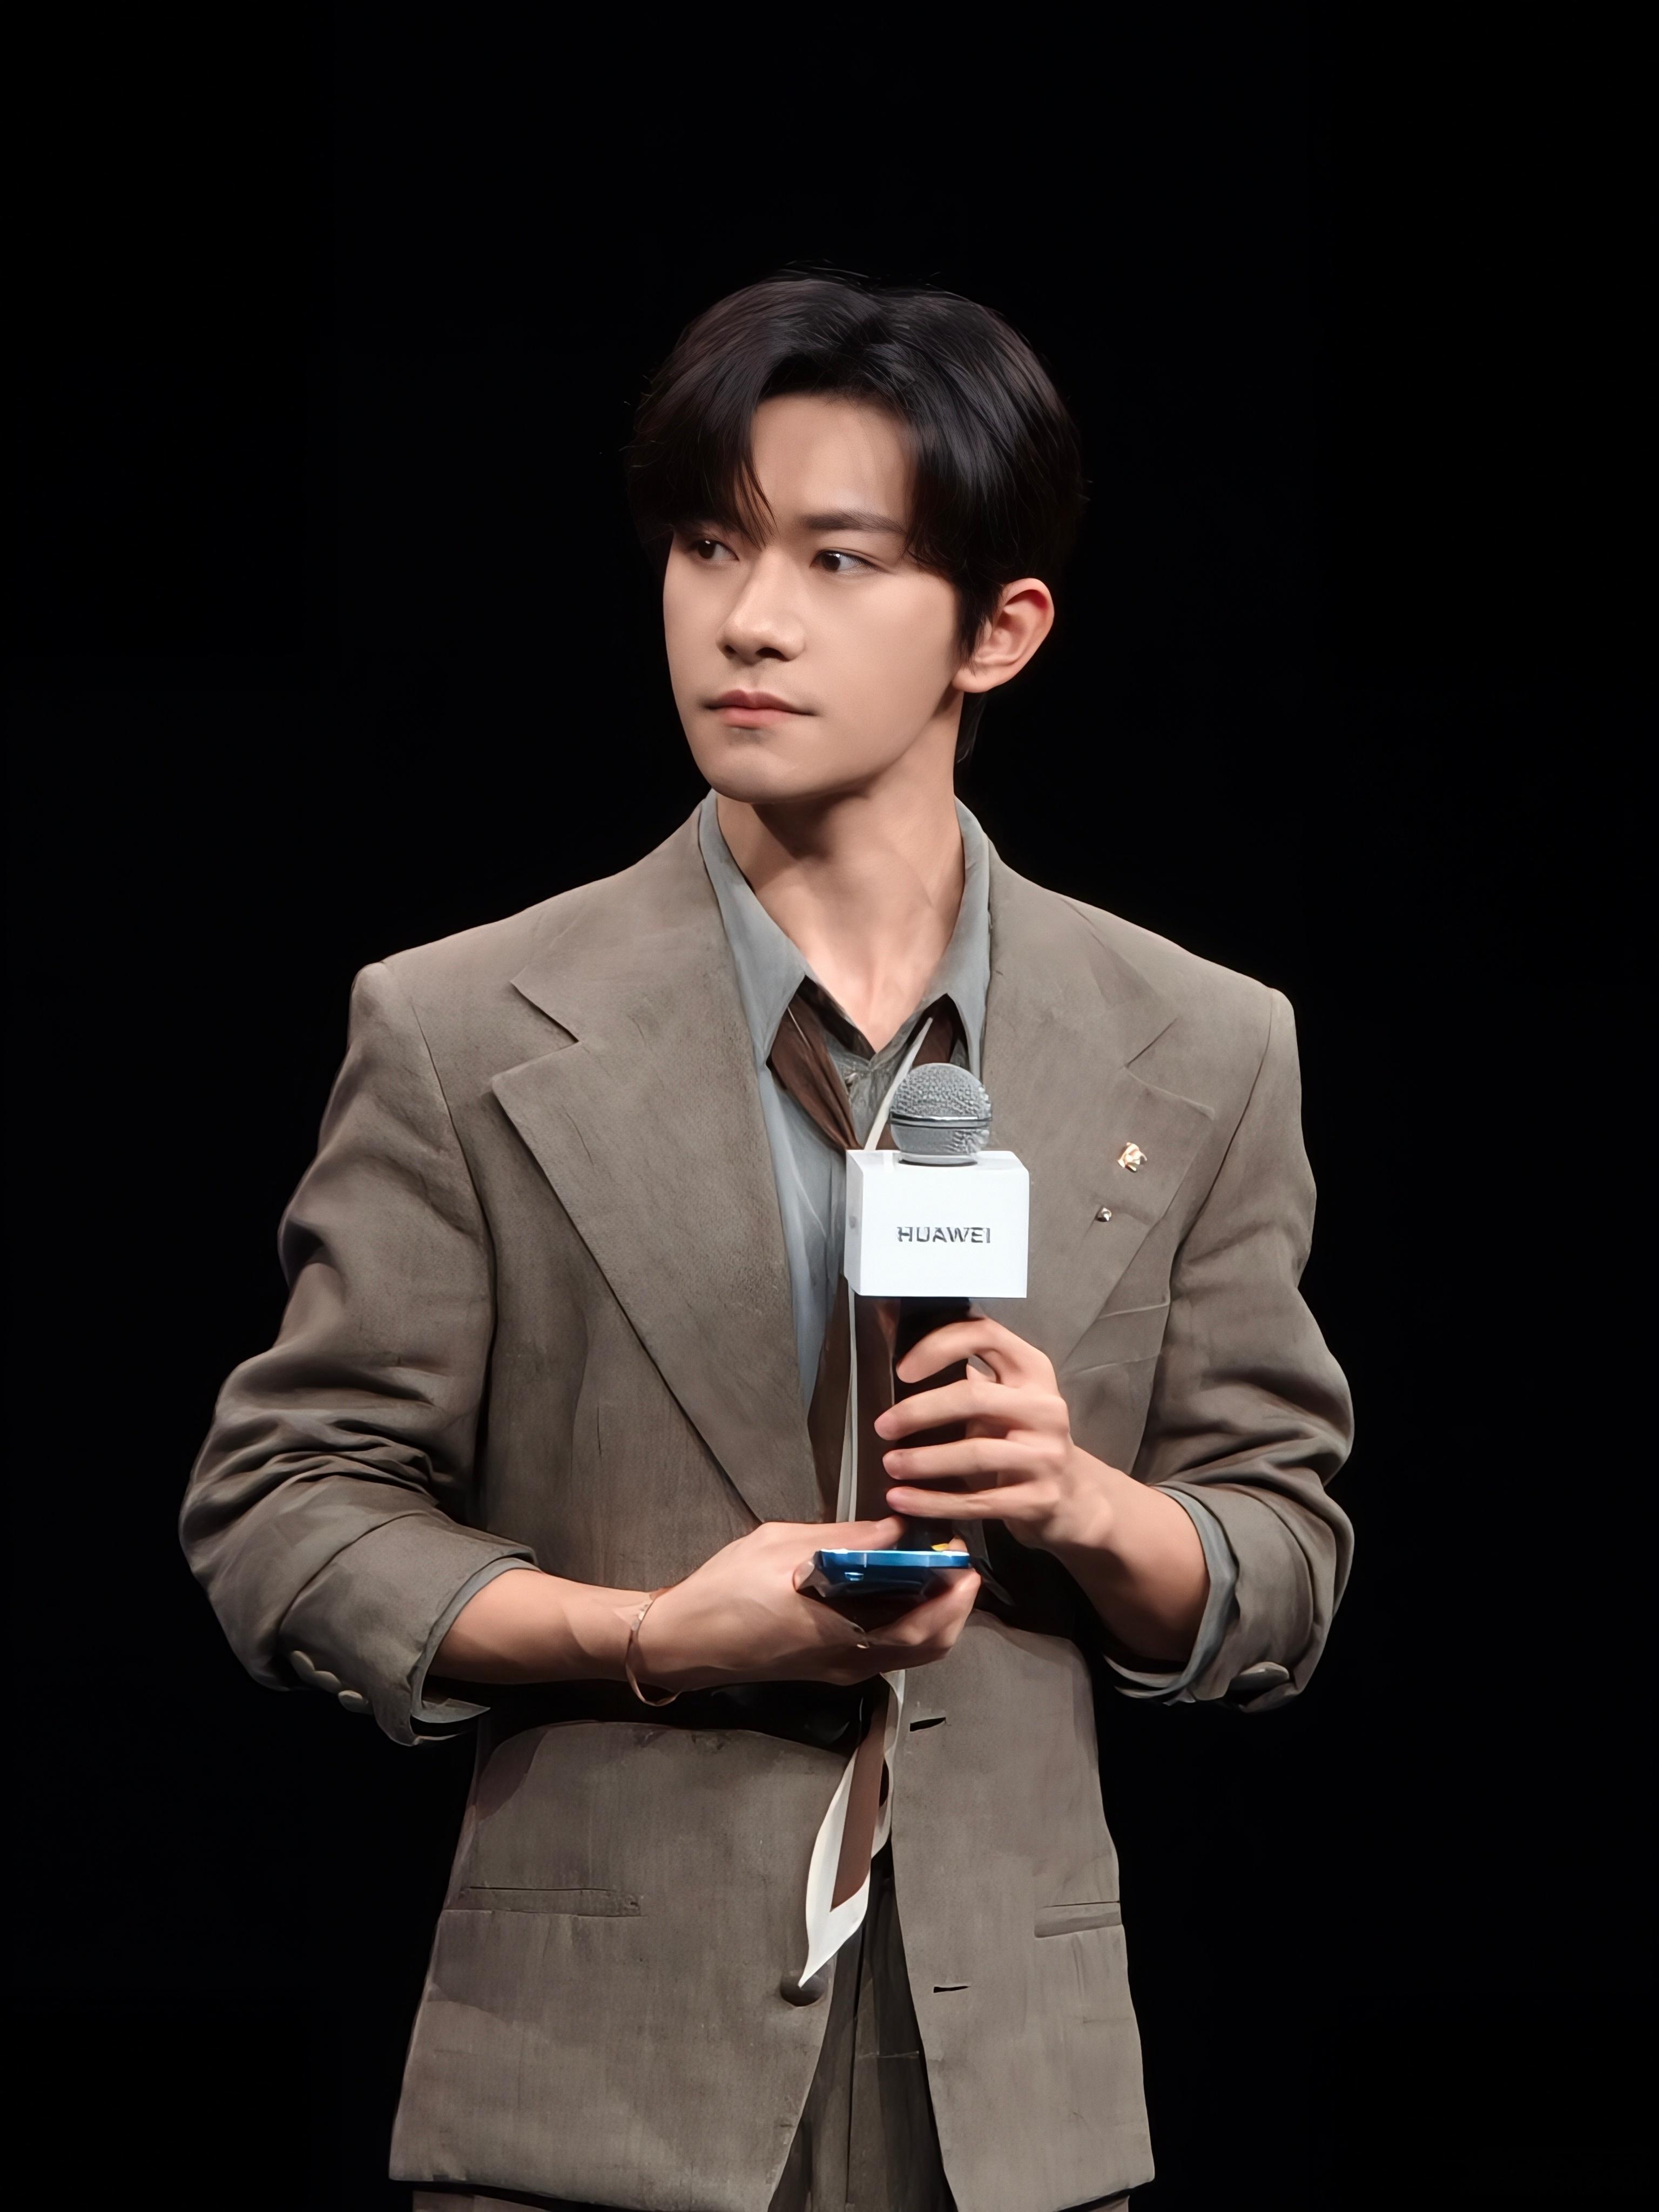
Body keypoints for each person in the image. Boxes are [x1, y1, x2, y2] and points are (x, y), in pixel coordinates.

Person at [183, 274, 1353, 2212]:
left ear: (1000, 629)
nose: (747, 616)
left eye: (838, 556)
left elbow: (1285, 1553)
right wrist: (650, 1636)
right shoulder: (464, 1025)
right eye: (710, 545)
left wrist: (1080, 1503)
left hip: (1017, 2110)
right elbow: (284, 1509)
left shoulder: (1201, 1043)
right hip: (593, 2096)